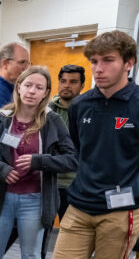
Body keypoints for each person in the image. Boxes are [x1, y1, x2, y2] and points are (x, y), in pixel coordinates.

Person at [52, 31, 139, 259]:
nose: (98, 69)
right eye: (94, 61)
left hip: (123, 211)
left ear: (129, 63)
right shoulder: (80, 105)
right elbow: (78, 151)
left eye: (108, 60)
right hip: (79, 206)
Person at [0, 66, 77, 259]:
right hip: (0, 199)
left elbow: (71, 160)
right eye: (28, 85)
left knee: (31, 255)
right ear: (19, 87)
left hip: (35, 201)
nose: (32, 91)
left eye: (38, 87)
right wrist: (0, 168)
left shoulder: (52, 121)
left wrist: (40, 161)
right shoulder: (2, 118)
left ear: (45, 93)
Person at [49, 64, 85, 219]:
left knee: (72, 234)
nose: (66, 86)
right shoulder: (46, 111)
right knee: (40, 233)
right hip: (48, 182)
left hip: (74, 184)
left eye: (73, 82)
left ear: (82, 85)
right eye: (63, 81)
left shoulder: (87, 111)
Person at [0, 43, 30, 122]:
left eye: (27, 63)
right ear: (5, 64)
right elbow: (6, 128)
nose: (26, 68)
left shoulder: (13, 89)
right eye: (22, 62)